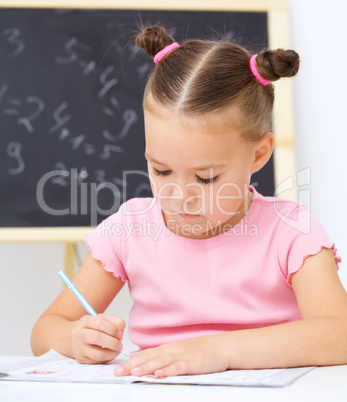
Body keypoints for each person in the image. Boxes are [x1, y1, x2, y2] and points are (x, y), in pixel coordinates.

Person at [31, 26, 347, 379]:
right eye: (161, 170)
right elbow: (45, 330)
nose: (179, 196)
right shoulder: (130, 230)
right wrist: (75, 339)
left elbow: (339, 335)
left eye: (206, 178)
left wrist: (218, 350)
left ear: (258, 154)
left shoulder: (290, 230)